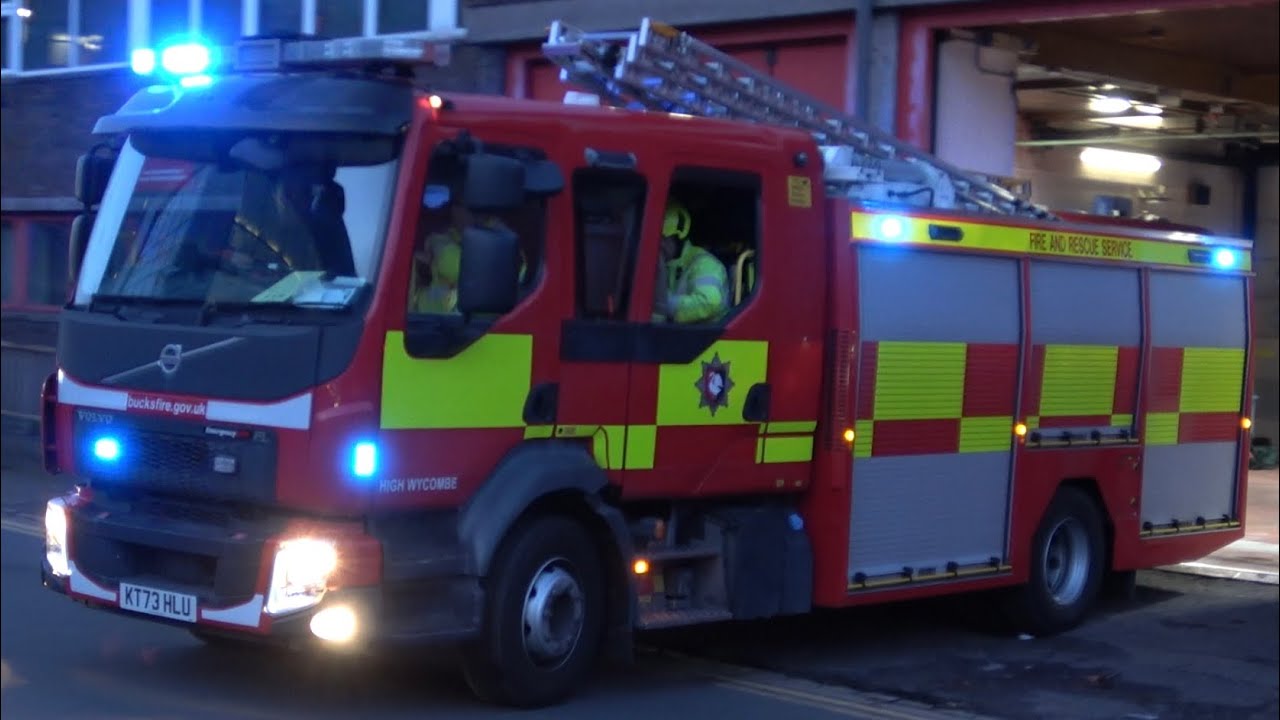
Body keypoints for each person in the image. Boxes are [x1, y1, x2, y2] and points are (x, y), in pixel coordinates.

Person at [652, 199, 730, 324]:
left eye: (664, 239)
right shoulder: (657, 263)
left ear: (679, 238)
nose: (659, 245)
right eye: (656, 239)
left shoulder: (704, 263)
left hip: (706, 338)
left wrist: (665, 304)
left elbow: (709, 303)